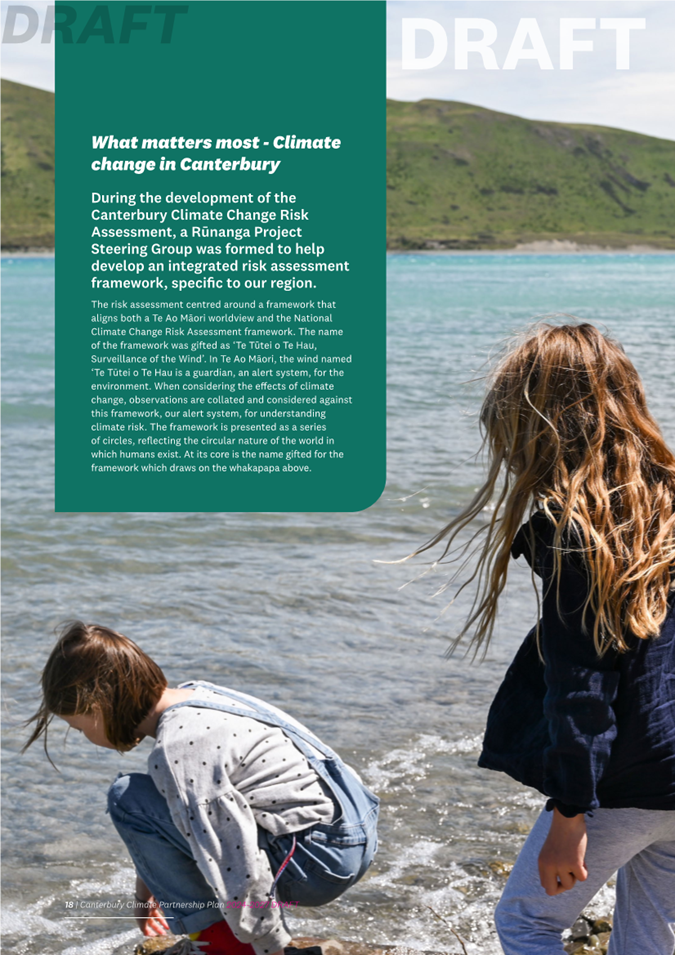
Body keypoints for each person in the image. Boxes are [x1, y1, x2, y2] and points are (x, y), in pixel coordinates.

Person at [416, 323, 675, 954]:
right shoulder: (666, 502)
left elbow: (582, 691)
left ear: (541, 429)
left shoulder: (577, 531)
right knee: (653, 936)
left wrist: (569, 815)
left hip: (629, 780)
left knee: (527, 923)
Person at [24, 623, 379, 955]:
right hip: (350, 832)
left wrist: (270, 947)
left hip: (316, 863)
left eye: (79, 726)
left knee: (126, 796)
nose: (86, 738)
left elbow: (234, 859)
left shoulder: (180, 746)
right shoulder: (199, 696)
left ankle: (227, 947)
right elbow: (178, 815)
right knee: (151, 802)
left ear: (100, 707)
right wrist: (149, 886)